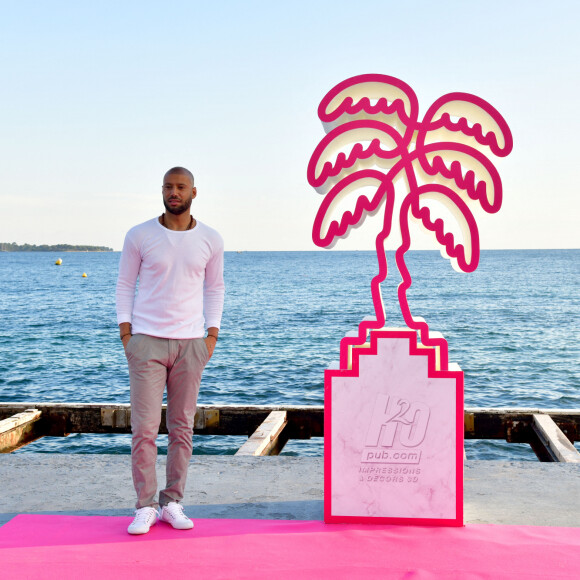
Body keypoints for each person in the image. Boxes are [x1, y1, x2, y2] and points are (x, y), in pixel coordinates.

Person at [116, 166, 225, 535]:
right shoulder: (140, 235)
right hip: (146, 341)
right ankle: (145, 506)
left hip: (192, 344)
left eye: (180, 187)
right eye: (168, 187)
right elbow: (125, 284)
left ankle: (172, 502)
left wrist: (211, 336)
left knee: (182, 428)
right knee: (144, 430)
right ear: (162, 191)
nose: (173, 192)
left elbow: (215, 289)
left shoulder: (211, 238)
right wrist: (126, 333)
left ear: (194, 192)